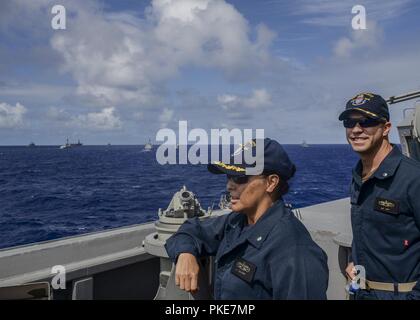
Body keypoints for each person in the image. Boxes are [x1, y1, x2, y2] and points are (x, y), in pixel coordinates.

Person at [164, 138, 329, 299]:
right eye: (228, 176)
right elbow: (191, 230)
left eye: (240, 178)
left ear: (271, 183)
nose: (229, 186)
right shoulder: (237, 221)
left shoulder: (296, 251)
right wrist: (185, 254)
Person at [339, 92, 420, 300]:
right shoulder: (359, 176)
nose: (356, 130)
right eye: (350, 122)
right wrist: (356, 261)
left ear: (386, 128)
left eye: (366, 122)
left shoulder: (412, 178)